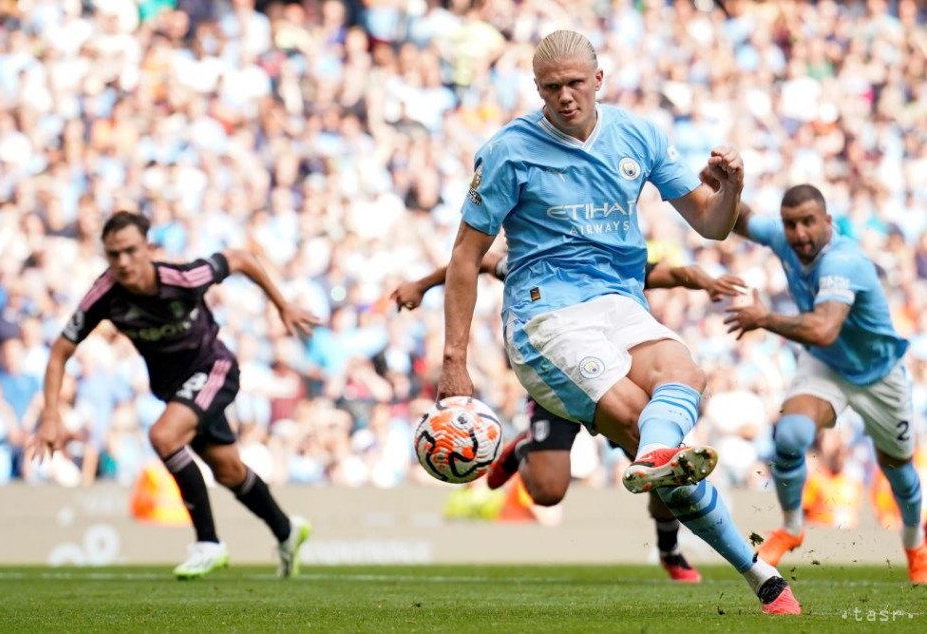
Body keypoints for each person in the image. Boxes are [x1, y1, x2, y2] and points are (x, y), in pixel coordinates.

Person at [436, 30, 800, 614]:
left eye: (576, 84)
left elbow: (711, 224)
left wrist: (731, 189)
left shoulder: (639, 134)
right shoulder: (507, 151)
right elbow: (463, 256)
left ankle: (655, 461)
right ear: (537, 89)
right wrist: (453, 359)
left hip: (618, 304)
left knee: (686, 373)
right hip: (544, 314)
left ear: (598, 80)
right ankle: (759, 573)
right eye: (551, 88)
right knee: (625, 432)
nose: (565, 97)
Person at [392, 252, 746, 582]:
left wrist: (703, 279)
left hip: (617, 375)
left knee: (664, 463)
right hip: (558, 370)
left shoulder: (609, 256)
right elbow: (479, 258)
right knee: (547, 492)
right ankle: (526, 449)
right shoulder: (539, 258)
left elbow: (667, 271)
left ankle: (669, 549)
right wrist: (421, 285)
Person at [28, 211, 321, 580]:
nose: (123, 262)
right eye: (113, 254)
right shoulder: (104, 296)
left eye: (131, 251)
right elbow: (59, 351)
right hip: (177, 390)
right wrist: (51, 416)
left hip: (214, 369)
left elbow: (242, 258)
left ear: (149, 248)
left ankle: (208, 543)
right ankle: (287, 531)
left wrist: (283, 305)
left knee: (163, 436)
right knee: (229, 471)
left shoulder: (183, 278)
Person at [720, 182, 926, 583]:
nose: (799, 234)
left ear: (828, 221)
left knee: (898, 467)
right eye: (791, 224)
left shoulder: (843, 261)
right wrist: (728, 185)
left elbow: (824, 328)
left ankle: (915, 543)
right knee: (791, 435)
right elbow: (741, 221)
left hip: (878, 373)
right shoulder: (783, 238)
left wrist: (765, 319)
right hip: (827, 366)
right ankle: (793, 527)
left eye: (809, 223)